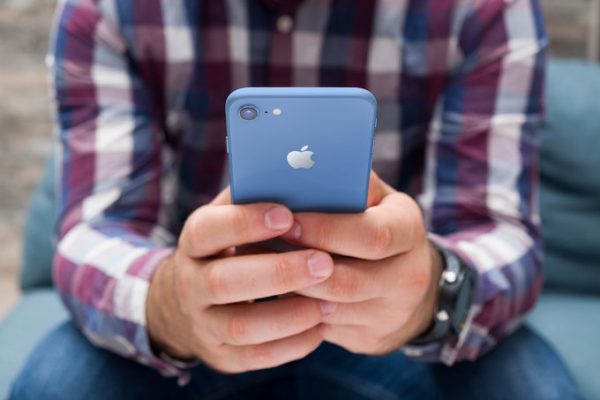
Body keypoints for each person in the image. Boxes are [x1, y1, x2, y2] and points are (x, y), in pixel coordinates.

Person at [10, 0, 583, 399]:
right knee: (54, 387)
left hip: (404, 336)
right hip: (197, 332)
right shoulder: (107, 9)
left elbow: (501, 232)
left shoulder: (486, 8)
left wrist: (430, 292)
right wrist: (173, 305)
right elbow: (95, 230)